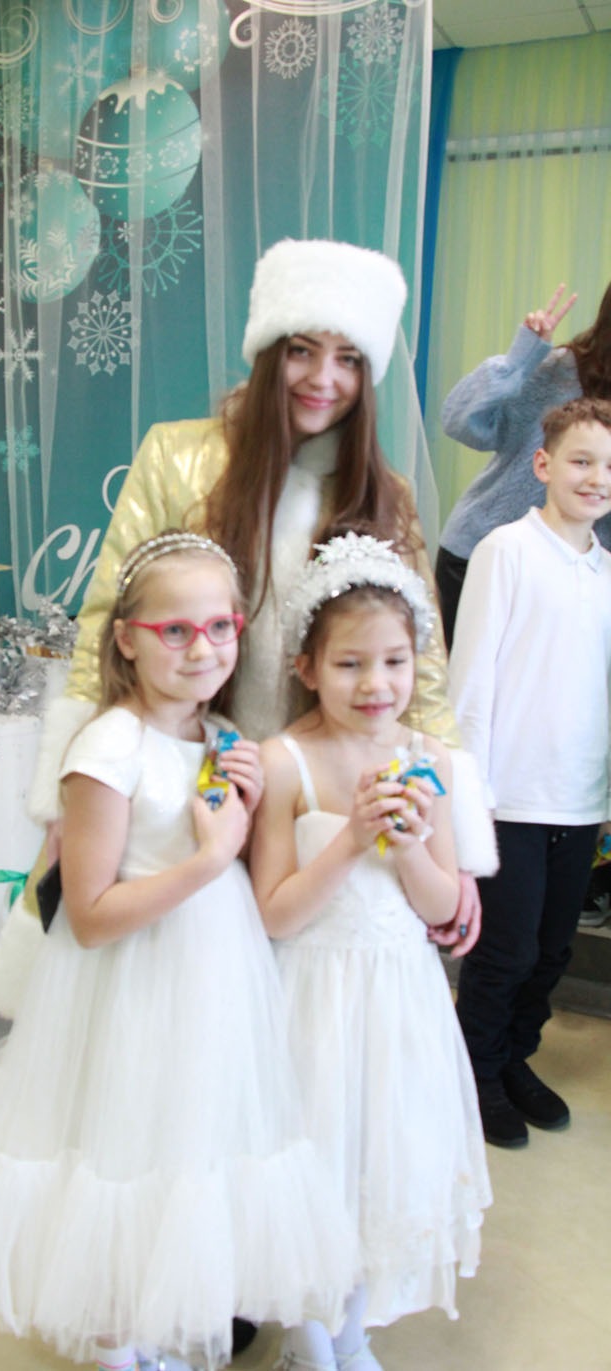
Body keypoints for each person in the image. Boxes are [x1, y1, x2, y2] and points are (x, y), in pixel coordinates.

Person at [0, 238, 496, 1021]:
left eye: (348, 359)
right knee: (172, 1016)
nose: (323, 379)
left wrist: (457, 850)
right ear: (268, 351)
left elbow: (417, 668)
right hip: (190, 783)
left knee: (295, 1026)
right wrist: (69, 799)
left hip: (315, 795)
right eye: (302, 350)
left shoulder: (382, 492)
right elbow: (107, 621)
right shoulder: (179, 458)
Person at [0, 530, 359, 1371]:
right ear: (126, 638)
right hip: (132, 986)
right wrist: (209, 860)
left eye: (220, 627)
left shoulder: (215, 735)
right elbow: (89, 914)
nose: (203, 648)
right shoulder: (108, 749)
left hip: (214, 979)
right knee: (119, 1157)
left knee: (186, 1149)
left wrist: (240, 810)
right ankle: (120, 1346)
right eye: (175, 630)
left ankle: (162, 1324)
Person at [250, 532, 492, 1370]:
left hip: (399, 1004)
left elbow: (441, 907)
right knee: (308, 1172)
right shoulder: (285, 762)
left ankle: (347, 1334)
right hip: (307, 1002)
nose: (376, 684)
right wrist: (352, 839)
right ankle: (309, 1339)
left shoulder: (431, 760)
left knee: (378, 1173)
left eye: (394, 661)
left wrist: (412, 847)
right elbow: (274, 914)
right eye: (350, 664)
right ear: (308, 667)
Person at [448, 397, 611, 1150]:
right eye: (582, 460)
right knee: (505, 952)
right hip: (507, 797)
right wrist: (468, 798)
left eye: (609, 467)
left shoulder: (605, 571)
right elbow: (471, 681)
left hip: (579, 800)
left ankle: (514, 1057)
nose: (597, 477)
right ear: (543, 465)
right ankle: (474, 1072)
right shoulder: (505, 551)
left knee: (550, 952)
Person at [437, 280, 611, 647]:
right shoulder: (563, 371)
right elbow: (462, 422)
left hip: (571, 577)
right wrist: (519, 358)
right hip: (481, 553)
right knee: (464, 674)